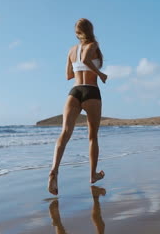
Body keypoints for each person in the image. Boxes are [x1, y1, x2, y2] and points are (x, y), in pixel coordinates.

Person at [48, 18, 108, 195]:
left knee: (65, 133)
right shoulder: (93, 45)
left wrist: (78, 69)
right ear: (90, 29)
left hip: (74, 92)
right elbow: (87, 60)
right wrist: (100, 74)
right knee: (92, 137)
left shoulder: (71, 50)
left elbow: (68, 75)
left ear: (77, 32)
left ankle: (54, 170)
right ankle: (92, 175)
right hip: (91, 91)